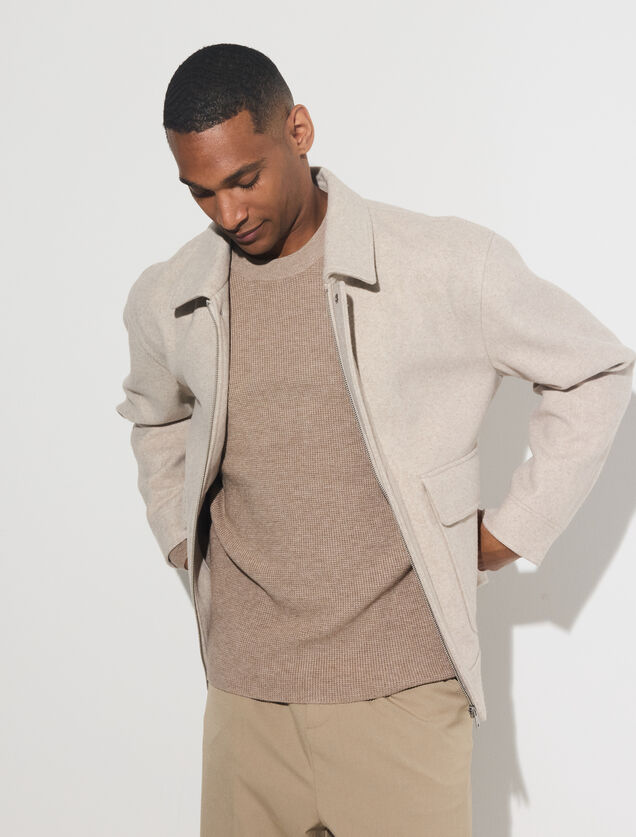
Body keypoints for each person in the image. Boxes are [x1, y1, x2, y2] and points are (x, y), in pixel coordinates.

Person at [115, 43, 635, 837]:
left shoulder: (443, 263)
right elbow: (155, 416)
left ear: (299, 130)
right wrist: (182, 538)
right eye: (202, 192)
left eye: (245, 179)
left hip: (401, 692)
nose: (228, 213)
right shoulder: (171, 295)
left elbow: (595, 370)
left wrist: (507, 533)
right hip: (245, 699)